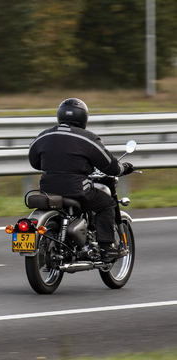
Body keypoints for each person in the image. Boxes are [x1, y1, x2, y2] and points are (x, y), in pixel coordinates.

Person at [28, 98, 135, 261]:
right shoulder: (88, 138)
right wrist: (124, 168)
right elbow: (110, 166)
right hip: (76, 189)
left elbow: (34, 162)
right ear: (83, 117)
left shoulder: (43, 136)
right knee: (108, 204)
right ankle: (106, 249)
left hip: (47, 189)